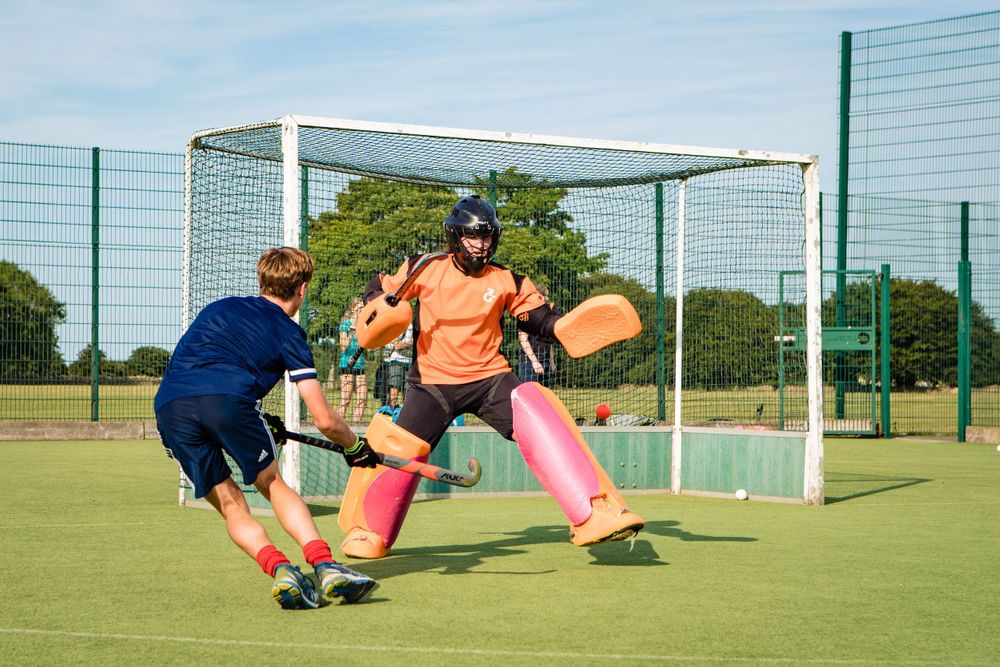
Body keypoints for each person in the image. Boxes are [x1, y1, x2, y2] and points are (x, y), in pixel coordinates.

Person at [337, 195, 645, 559]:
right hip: (433, 383)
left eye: (487, 237)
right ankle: (366, 531)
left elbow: (537, 317)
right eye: (473, 237)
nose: (481, 245)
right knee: (397, 448)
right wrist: (380, 306)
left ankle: (594, 512)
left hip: (490, 381)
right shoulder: (425, 267)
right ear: (455, 236)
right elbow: (379, 288)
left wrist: (561, 326)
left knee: (540, 415)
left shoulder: (506, 280)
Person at [154, 247, 379, 609]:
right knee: (271, 483)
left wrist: (251, 416)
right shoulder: (289, 333)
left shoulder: (219, 307)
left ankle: (282, 570)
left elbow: (204, 366)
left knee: (230, 505)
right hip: (228, 401)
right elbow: (324, 419)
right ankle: (325, 566)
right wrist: (355, 446)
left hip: (170, 408)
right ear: (302, 288)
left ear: (262, 281)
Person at [517, 283, 555, 386]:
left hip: (545, 361)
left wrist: (551, 361)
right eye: (545, 296)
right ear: (539, 295)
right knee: (528, 397)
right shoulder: (526, 313)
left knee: (544, 397)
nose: (547, 299)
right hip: (529, 363)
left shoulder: (547, 313)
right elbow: (523, 339)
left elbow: (549, 339)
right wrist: (535, 362)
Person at [337, 298, 368, 424]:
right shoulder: (345, 325)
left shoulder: (365, 325)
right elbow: (343, 347)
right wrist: (351, 332)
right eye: (359, 308)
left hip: (360, 365)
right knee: (346, 399)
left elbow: (369, 346)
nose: (362, 310)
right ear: (353, 309)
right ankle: (338, 426)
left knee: (362, 400)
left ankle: (356, 428)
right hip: (347, 365)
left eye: (363, 308)